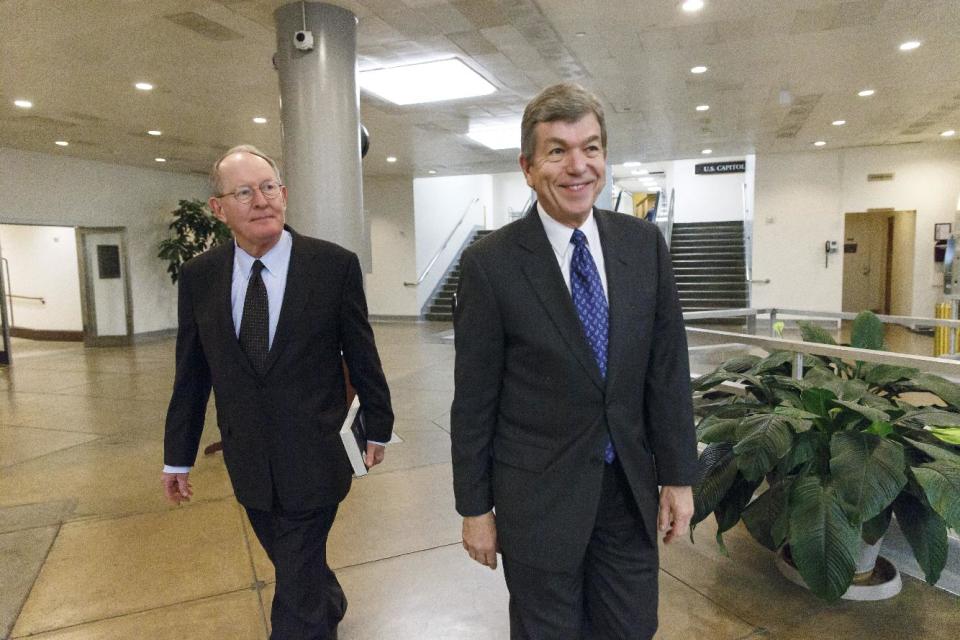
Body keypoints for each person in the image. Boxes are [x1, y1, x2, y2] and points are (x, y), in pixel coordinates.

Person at [451, 84, 698, 639]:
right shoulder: (490, 265)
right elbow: (473, 400)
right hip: (537, 499)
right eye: (557, 150)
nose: (577, 166)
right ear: (529, 166)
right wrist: (475, 508)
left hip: (627, 492)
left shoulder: (643, 246)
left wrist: (679, 476)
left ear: (605, 158)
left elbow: (667, 372)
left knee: (632, 628)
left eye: (590, 148)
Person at [162, 145, 393, 640]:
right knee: (297, 565)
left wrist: (380, 426)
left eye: (269, 187)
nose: (261, 200)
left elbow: (362, 353)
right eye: (244, 191)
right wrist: (177, 457)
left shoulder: (333, 266)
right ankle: (327, 596)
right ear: (218, 208)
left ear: (284, 196)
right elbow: (192, 372)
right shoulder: (201, 276)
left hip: (317, 452)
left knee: (296, 591)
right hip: (249, 457)